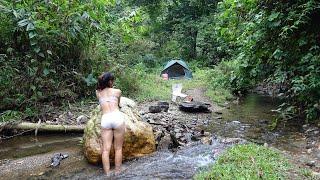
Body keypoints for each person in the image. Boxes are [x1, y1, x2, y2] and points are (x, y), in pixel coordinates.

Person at [96, 72, 125, 174]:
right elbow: (119, 104)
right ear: (110, 81)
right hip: (117, 117)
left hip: (106, 119)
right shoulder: (117, 91)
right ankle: (118, 172)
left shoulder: (98, 93)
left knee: (105, 150)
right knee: (118, 149)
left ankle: (107, 174)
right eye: (112, 80)